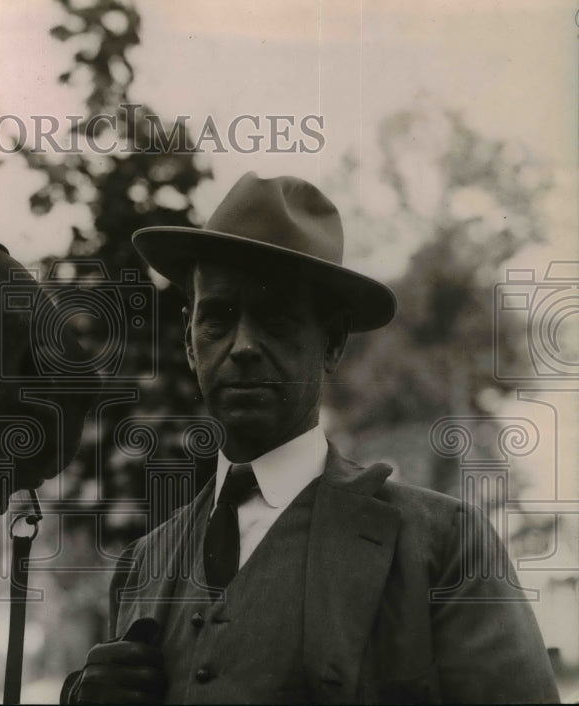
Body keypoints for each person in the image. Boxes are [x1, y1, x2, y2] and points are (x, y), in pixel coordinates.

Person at [61, 172, 559, 704]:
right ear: (189, 340)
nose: (244, 345)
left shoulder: (444, 546)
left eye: (276, 317)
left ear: (332, 343)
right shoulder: (142, 567)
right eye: (219, 316)